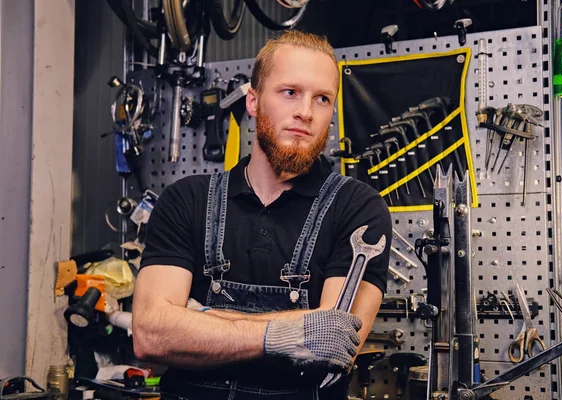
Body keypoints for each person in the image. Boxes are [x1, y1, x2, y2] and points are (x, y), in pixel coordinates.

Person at [132, 30, 392, 400]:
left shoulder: (358, 209)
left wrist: (198, 315)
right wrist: (284, 335)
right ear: (253, 101)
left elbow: (332, 346)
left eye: (322, 99)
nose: (305, 111)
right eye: (290, 92)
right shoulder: (186, 201)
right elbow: (150, 336)